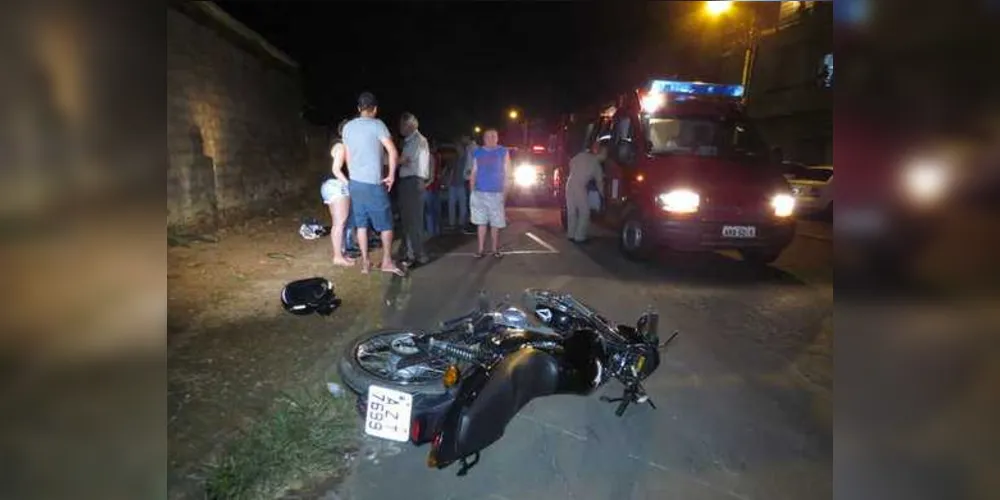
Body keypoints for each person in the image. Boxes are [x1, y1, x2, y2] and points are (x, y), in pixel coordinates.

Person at [341, 91, 405, 276]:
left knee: (361, 224)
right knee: (386, 225)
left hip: (356, 183)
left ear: (359, 108)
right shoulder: (378, 125)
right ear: (375, 109)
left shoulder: (348, 128)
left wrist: (353, 174)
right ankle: (386, 261)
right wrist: (391, 175)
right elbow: (392, 151)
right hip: (373, 183)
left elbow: (347, 155)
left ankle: (365, 263)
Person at [396, 112, 431, 266]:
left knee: (413, 220)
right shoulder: (410, 140)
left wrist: (388, 160)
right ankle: (410, 253)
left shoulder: (417, 140)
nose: (400, 128)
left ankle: (418, 255)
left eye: (402, 124)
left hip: (413, 182)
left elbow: (405, 160)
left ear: (409, 125)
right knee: (408, 220)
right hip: (409, 182)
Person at [469, 129, 510, 258]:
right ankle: (480, 249)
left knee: (495, 223)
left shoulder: (503, 151)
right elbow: (474, 172)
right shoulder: (478, 152)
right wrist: (472, 191)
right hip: (479, 193)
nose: (491, 138)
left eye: (494, 136)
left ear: (497, 138)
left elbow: (507, 173)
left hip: (496, 193)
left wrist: (505, 193)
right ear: (484, 138)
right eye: (488, 136)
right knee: (481, 223)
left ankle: (494, 249)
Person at [322, 119, 355, 266]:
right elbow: (336, 169)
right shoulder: (341, 146)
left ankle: (341, 254)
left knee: (340, 222)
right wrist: (349, 184)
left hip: (331, 185)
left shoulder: (338, 145)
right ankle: (337, 256)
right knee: (339, 223)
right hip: (337, 185)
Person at [565, 142, 608, 243]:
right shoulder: (596, 165)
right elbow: (600, 183)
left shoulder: (581, 155)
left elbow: (571, 163)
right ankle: (580, 237)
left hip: (569, 184)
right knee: (584, 212)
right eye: (605, 154)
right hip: (580, 186)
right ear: (600, 154)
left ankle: (571, 235)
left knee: (572, 211)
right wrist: (603, 196)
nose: (605, 157)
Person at [423, 143, 442, 239]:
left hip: (429, 187)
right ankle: (436, 231)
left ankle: (431, 232)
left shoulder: (429, 157)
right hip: (435, 186)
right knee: (435, 210)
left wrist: (424, 185)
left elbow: (431, 175)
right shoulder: (437, 156)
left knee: (429, 211)